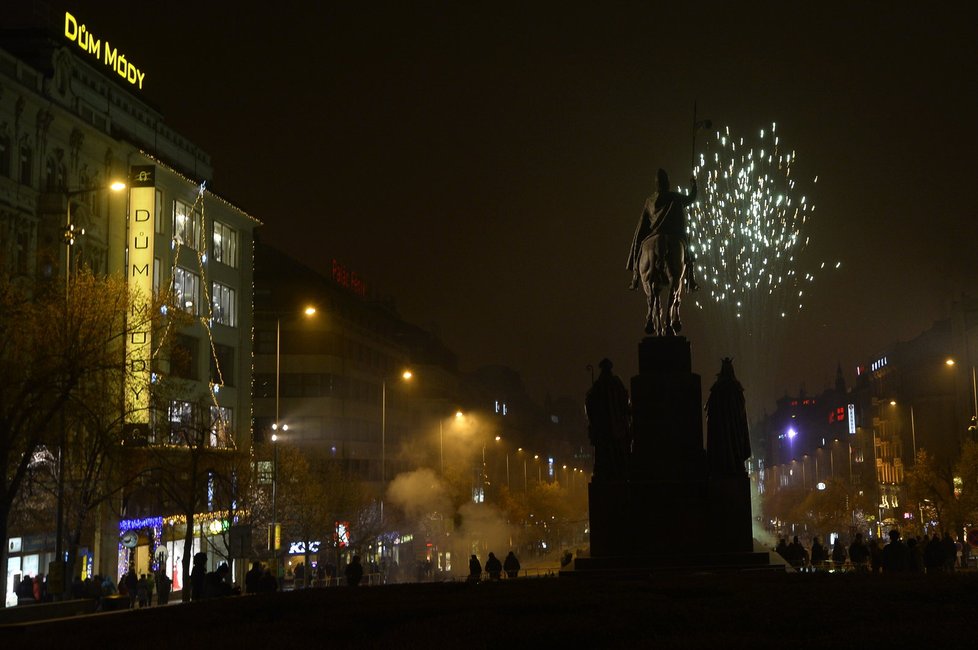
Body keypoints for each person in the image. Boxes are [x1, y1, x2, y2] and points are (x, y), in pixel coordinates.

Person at [626, 168, 698, 291]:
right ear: (667, 183)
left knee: (640, 247)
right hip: (673, 233)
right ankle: (691, 278)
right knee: (687, 250)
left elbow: (643, 222)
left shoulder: (649, 201)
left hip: (654, 233)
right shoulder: (674, 196)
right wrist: (694, 185)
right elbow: (690, 199)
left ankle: (635, 277)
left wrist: (640, 237)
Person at [585, 359, 631, 481]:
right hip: (614, 426)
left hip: (604, 428)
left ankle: (610, 472)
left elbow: (589, 405)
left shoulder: (597, 386)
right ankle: (619, 471)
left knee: (605, 453)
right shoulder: (616, 384)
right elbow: (625, 402)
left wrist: (593, 423)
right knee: (616, 451)